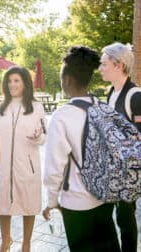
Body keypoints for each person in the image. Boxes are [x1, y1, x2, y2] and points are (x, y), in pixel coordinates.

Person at [43, 46, 121, 252]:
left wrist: (51, 201)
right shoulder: (105, 109)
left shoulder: (62, 116)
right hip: (105, 197)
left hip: (76, 203)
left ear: (67, 79)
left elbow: (54, 166)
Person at [0, 66, 46, 252]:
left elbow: (44, 136)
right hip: (3, 165)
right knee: (2, 204)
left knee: (28, 204)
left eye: (16, 81)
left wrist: (38, 137)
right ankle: (6, 240)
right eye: (9, 81)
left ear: (25, 83)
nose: (12, 85)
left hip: (27, 166)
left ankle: (26, 243)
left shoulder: (37, 107)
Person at [99, 42, 141, 252]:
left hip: (128, 170)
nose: (100, 68)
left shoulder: (135, 96)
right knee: (115, 217)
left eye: (104, 64)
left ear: (118, 65)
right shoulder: (111, 92)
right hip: (113, 167)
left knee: (125, 220)